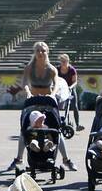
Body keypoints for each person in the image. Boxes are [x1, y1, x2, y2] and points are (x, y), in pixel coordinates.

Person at [8, 42, 64, 170]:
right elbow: (25, 83)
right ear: (34, 52)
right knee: (25, 128)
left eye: (43, 51)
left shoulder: (51, 69)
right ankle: (19, 158)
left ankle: (66, 159)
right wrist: (28, 92)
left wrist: (53, 95)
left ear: (47, 52)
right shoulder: (29, 67)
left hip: (47, 101)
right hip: (32, 101)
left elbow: (56, 84)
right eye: (38, 50)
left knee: (55, 128)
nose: (40, 53)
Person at [57, 53, 83, 130]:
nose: (63, 63)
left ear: (68, 61)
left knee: (74, 105)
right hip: (61, 89)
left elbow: (75, 82)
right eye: (62, 61)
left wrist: (70, 87)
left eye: (65, 61)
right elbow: (55, 79)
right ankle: (57, 122)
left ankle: (78, 125)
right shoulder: (57, 69)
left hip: (70, 89)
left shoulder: (72, 70)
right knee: (56, 104)